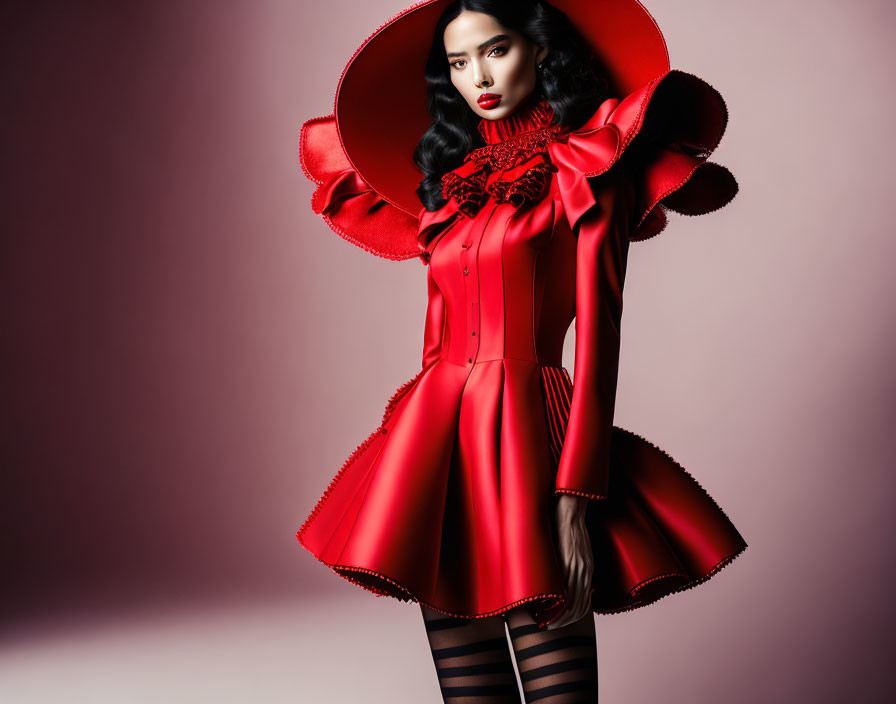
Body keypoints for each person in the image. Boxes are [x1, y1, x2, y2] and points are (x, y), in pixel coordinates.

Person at [296, 1, 747, 701]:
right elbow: (436, 336)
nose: (477, 74)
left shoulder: (588, 170)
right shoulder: (453, 186)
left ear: (539, 52)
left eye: (495, 50)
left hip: (533, 441)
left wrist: (574, 498)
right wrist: (403, 443)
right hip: (434, 450)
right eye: (457, 61)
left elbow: (601, 342)